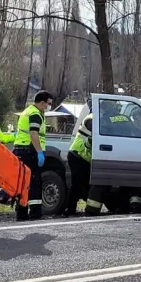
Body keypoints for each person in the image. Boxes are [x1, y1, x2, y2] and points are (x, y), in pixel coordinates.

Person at [12, 90, 54, 220]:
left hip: (21, 149)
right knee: (34, 182)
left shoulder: (27, 111)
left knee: (23, 182)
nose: (49, 106)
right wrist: (40, 152)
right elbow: (34, 134)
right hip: (29, 151)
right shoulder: (35, 113)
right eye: (48, 103)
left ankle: (21, 212)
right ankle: (35, 212)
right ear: (42, 103)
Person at [64, 113, 93, 217]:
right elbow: (91, 139)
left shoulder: (95, 118)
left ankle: (89, 208)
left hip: (82, 156)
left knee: (84, 184)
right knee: (76, 185)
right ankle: (70, 210)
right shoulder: (91, 119)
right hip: (77, 155)